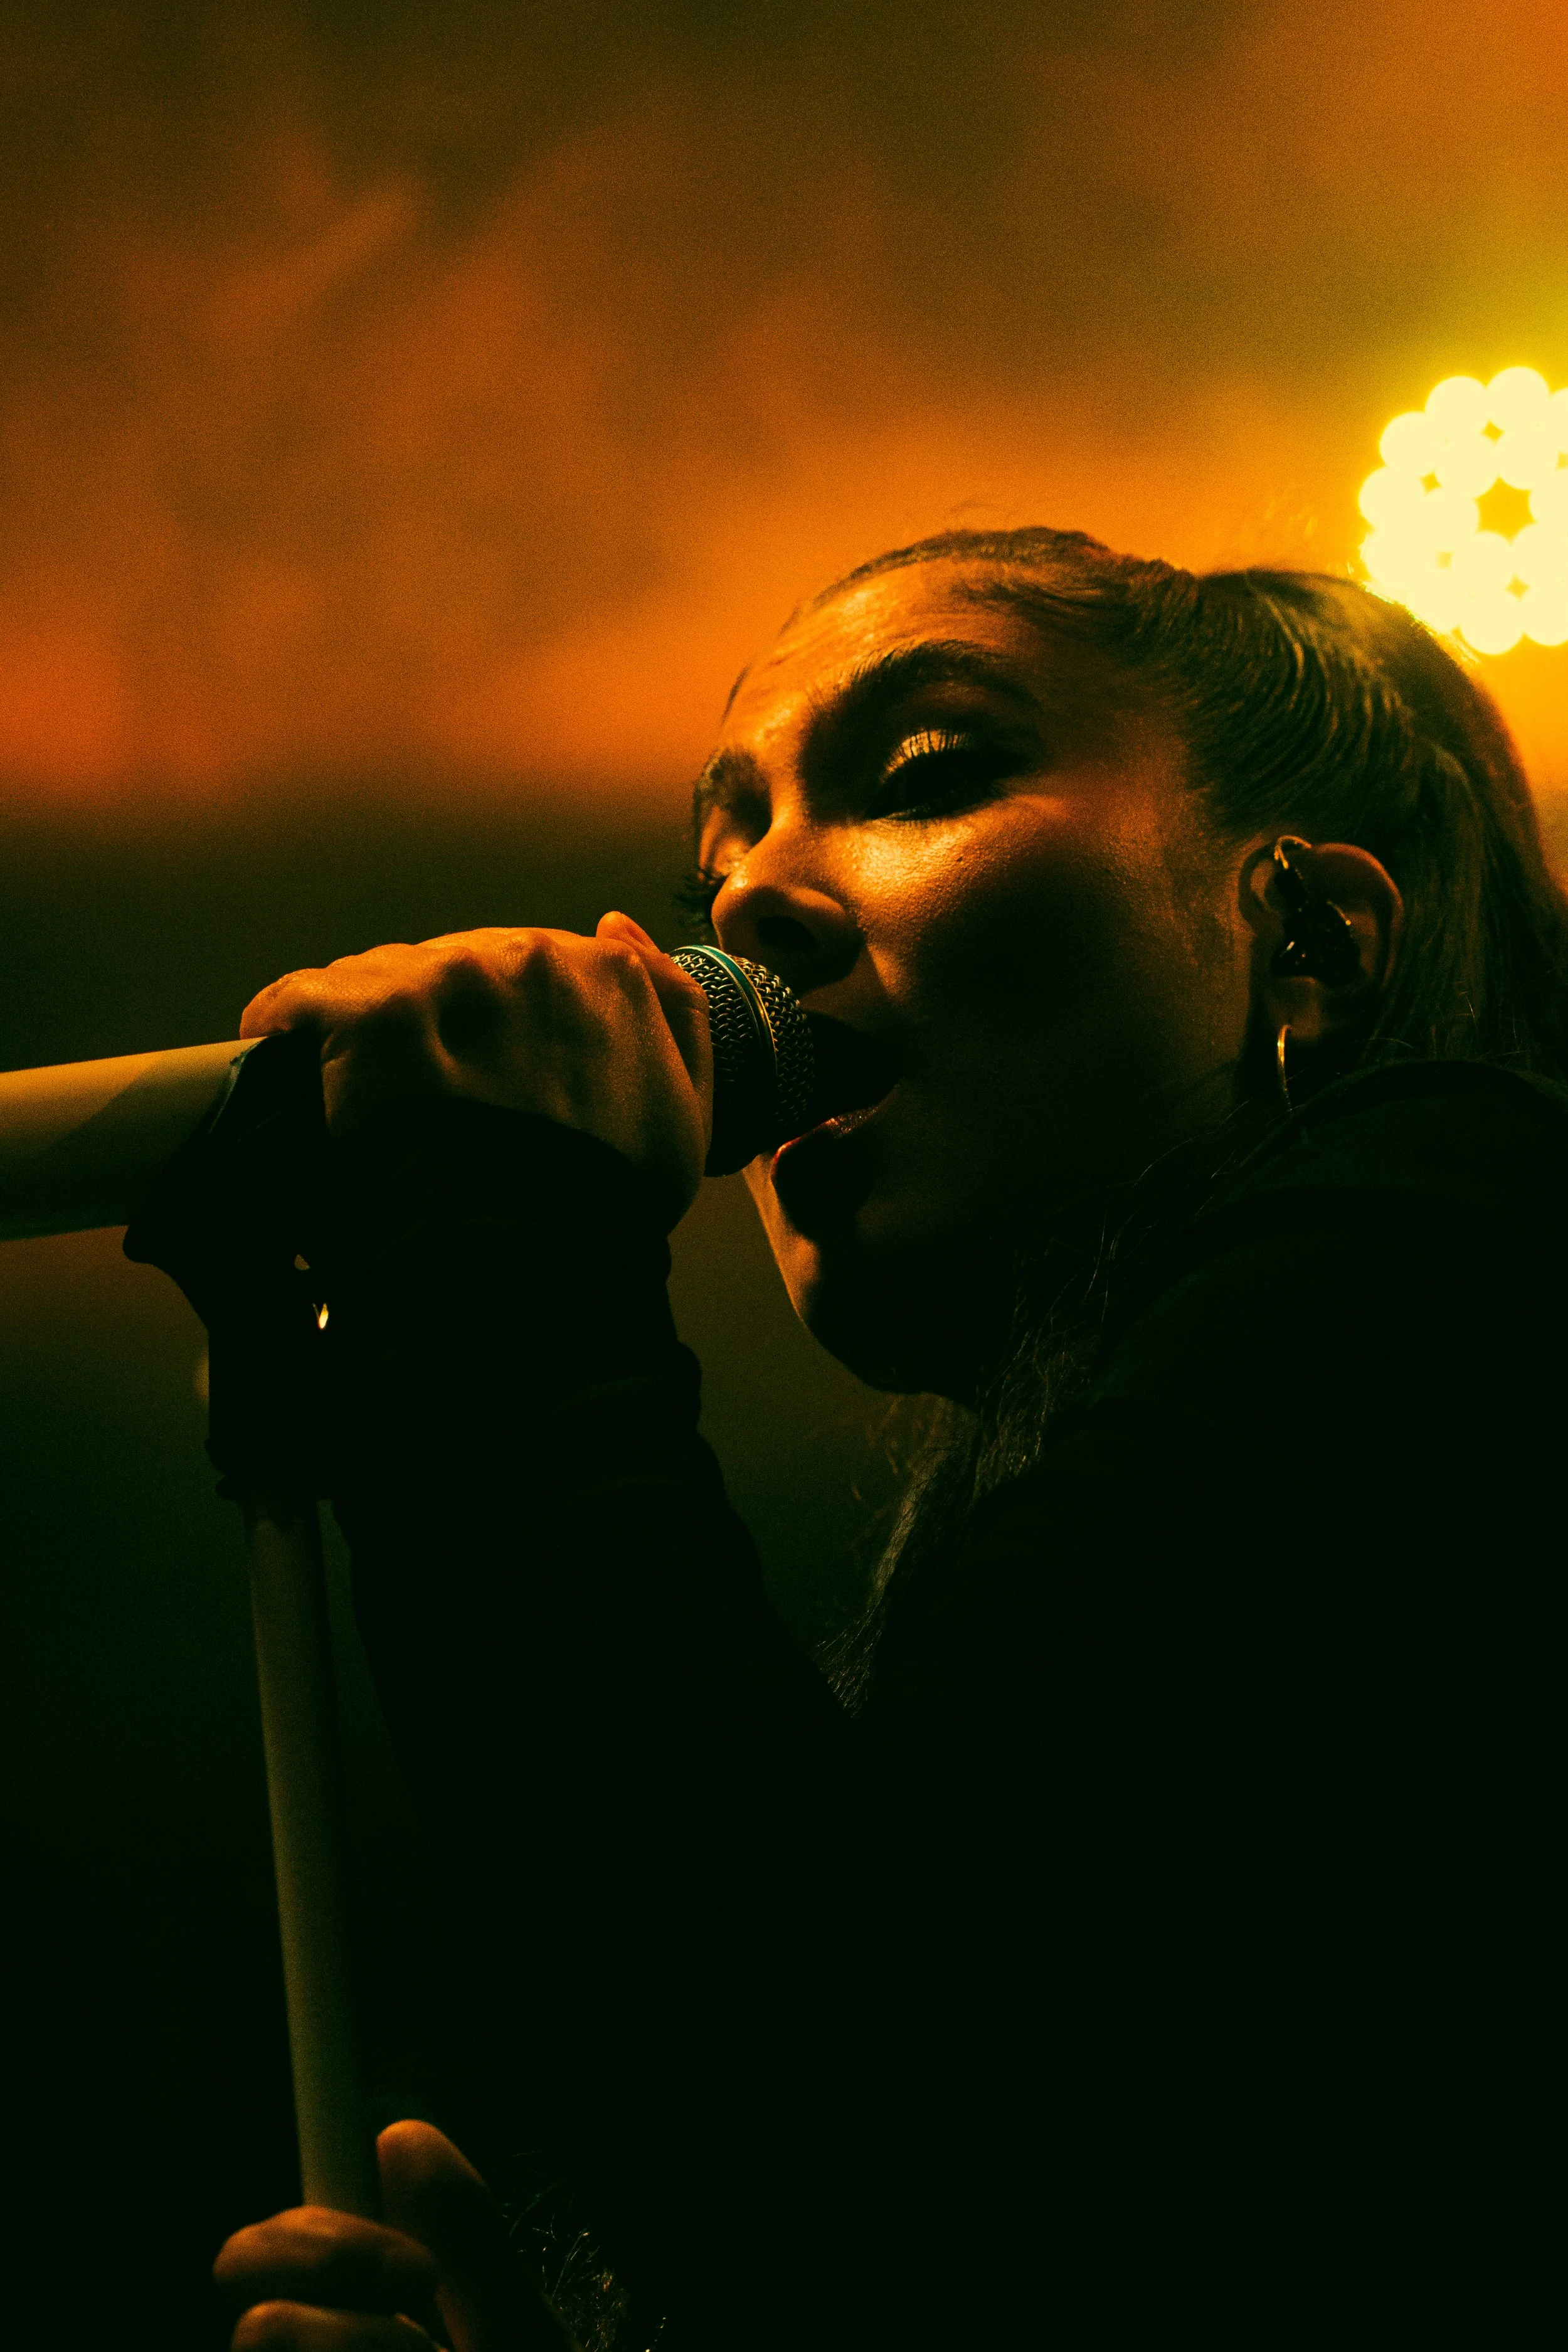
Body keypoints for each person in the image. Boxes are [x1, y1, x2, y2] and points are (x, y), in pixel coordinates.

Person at [204, 529, 1566, 2349]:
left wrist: (498, 1251)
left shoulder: (1474, 1204)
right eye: (721, 847)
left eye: (921, 776)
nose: (741, 908)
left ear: (1304, 937)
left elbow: (845, 2118)